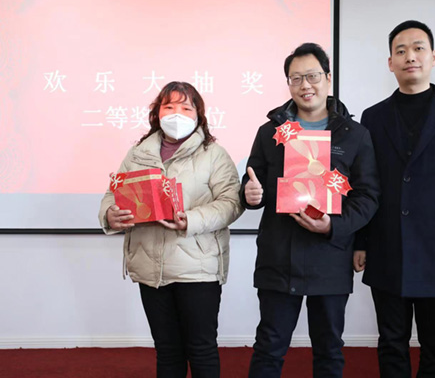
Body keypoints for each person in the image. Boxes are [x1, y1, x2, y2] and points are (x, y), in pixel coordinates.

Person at [354, 21, 435, 377]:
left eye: (418, 48)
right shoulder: (373, 117)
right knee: (391, 342)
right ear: (390, 62)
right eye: (400, 51)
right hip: (387, 248)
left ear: (433, 56)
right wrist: (361, 242)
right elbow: (365, 186)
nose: (409, 56)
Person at [240, 43, 379, 378]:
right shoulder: (271, 133)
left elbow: (368, 196)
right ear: (288, 84)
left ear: (328, 78)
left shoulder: (354, 135)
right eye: (296, 78)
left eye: (313, 76)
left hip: (330, 258)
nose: (305, 85)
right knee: (269, 347)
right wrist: (250, 194)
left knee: (329, 351)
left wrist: (333, 226)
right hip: (278, 258)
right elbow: (251, 183)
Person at [99, 81, 243, 378]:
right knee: (166, 350)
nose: (177, 114)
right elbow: (113, 193)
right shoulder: (138, 153)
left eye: (186, 107)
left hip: (197, 268)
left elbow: (231, 203)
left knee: (201, 349)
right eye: (169, 106)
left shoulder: (214, 154)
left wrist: (191, 219)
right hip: (150, 267)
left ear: (198, 115)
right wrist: (110, 214)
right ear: (157, 113)